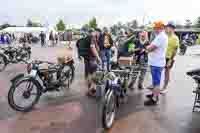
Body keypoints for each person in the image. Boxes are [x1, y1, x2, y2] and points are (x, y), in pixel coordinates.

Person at [144, 21, 168, 106]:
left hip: (157, 63)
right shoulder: (160, 36)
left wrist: (147, 47)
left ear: (159, 28)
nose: (154, 29)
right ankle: (154, 94)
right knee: (155, 81)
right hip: (156, 62)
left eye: (155, 28)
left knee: (156, 82)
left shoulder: (161, 37)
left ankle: (154, 99)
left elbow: (151, 48)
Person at [77, 29, 101, 97]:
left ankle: (90, 89)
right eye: (97, 33)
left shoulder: (84, 38)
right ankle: (91, 89)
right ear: (94, 32)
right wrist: (98, 58)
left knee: (88, 74)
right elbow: (93, 48)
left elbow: (78, 47)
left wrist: (79, 55)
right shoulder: (92, 38)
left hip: (86, 59)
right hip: (92, 59)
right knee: (94, 74)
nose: (98, 34)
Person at [161, 21, 179, 94]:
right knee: (158, 71)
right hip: (161, 57)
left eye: (169, 27)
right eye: (167, 27)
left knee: (167, 72)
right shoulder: (164, 35)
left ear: (173, 28)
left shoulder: (175, 38)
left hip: (169, 58)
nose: (167, 28)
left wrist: (170, 60)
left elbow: (175, 50)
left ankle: (165, 88)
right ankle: (155, 85)